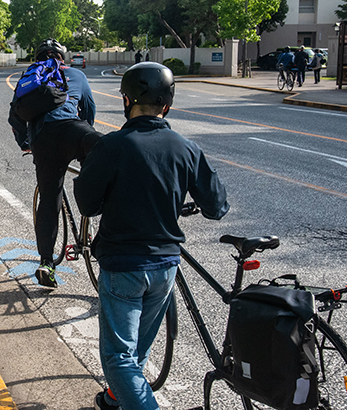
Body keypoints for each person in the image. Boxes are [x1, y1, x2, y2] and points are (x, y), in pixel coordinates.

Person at [73, 62, 229, 410]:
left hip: (123, 265)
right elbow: (216, 205)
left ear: (127, 99)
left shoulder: (112, 145)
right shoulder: (186, 147)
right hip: (165, 267)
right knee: (138, 350)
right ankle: (117, 399)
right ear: (167, 105)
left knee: (118, 358)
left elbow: (87, 204)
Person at [8, 38, 102, 288]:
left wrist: (25, 144)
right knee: (104, 164)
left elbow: (15, 116)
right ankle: (98, 218)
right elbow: (89, 109)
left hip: (43, 140)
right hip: (75, 131)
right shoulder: (76, 75)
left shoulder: (30, 77)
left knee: (49, 201)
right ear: (64, 58)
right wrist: (85, 140)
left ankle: (46, 263)